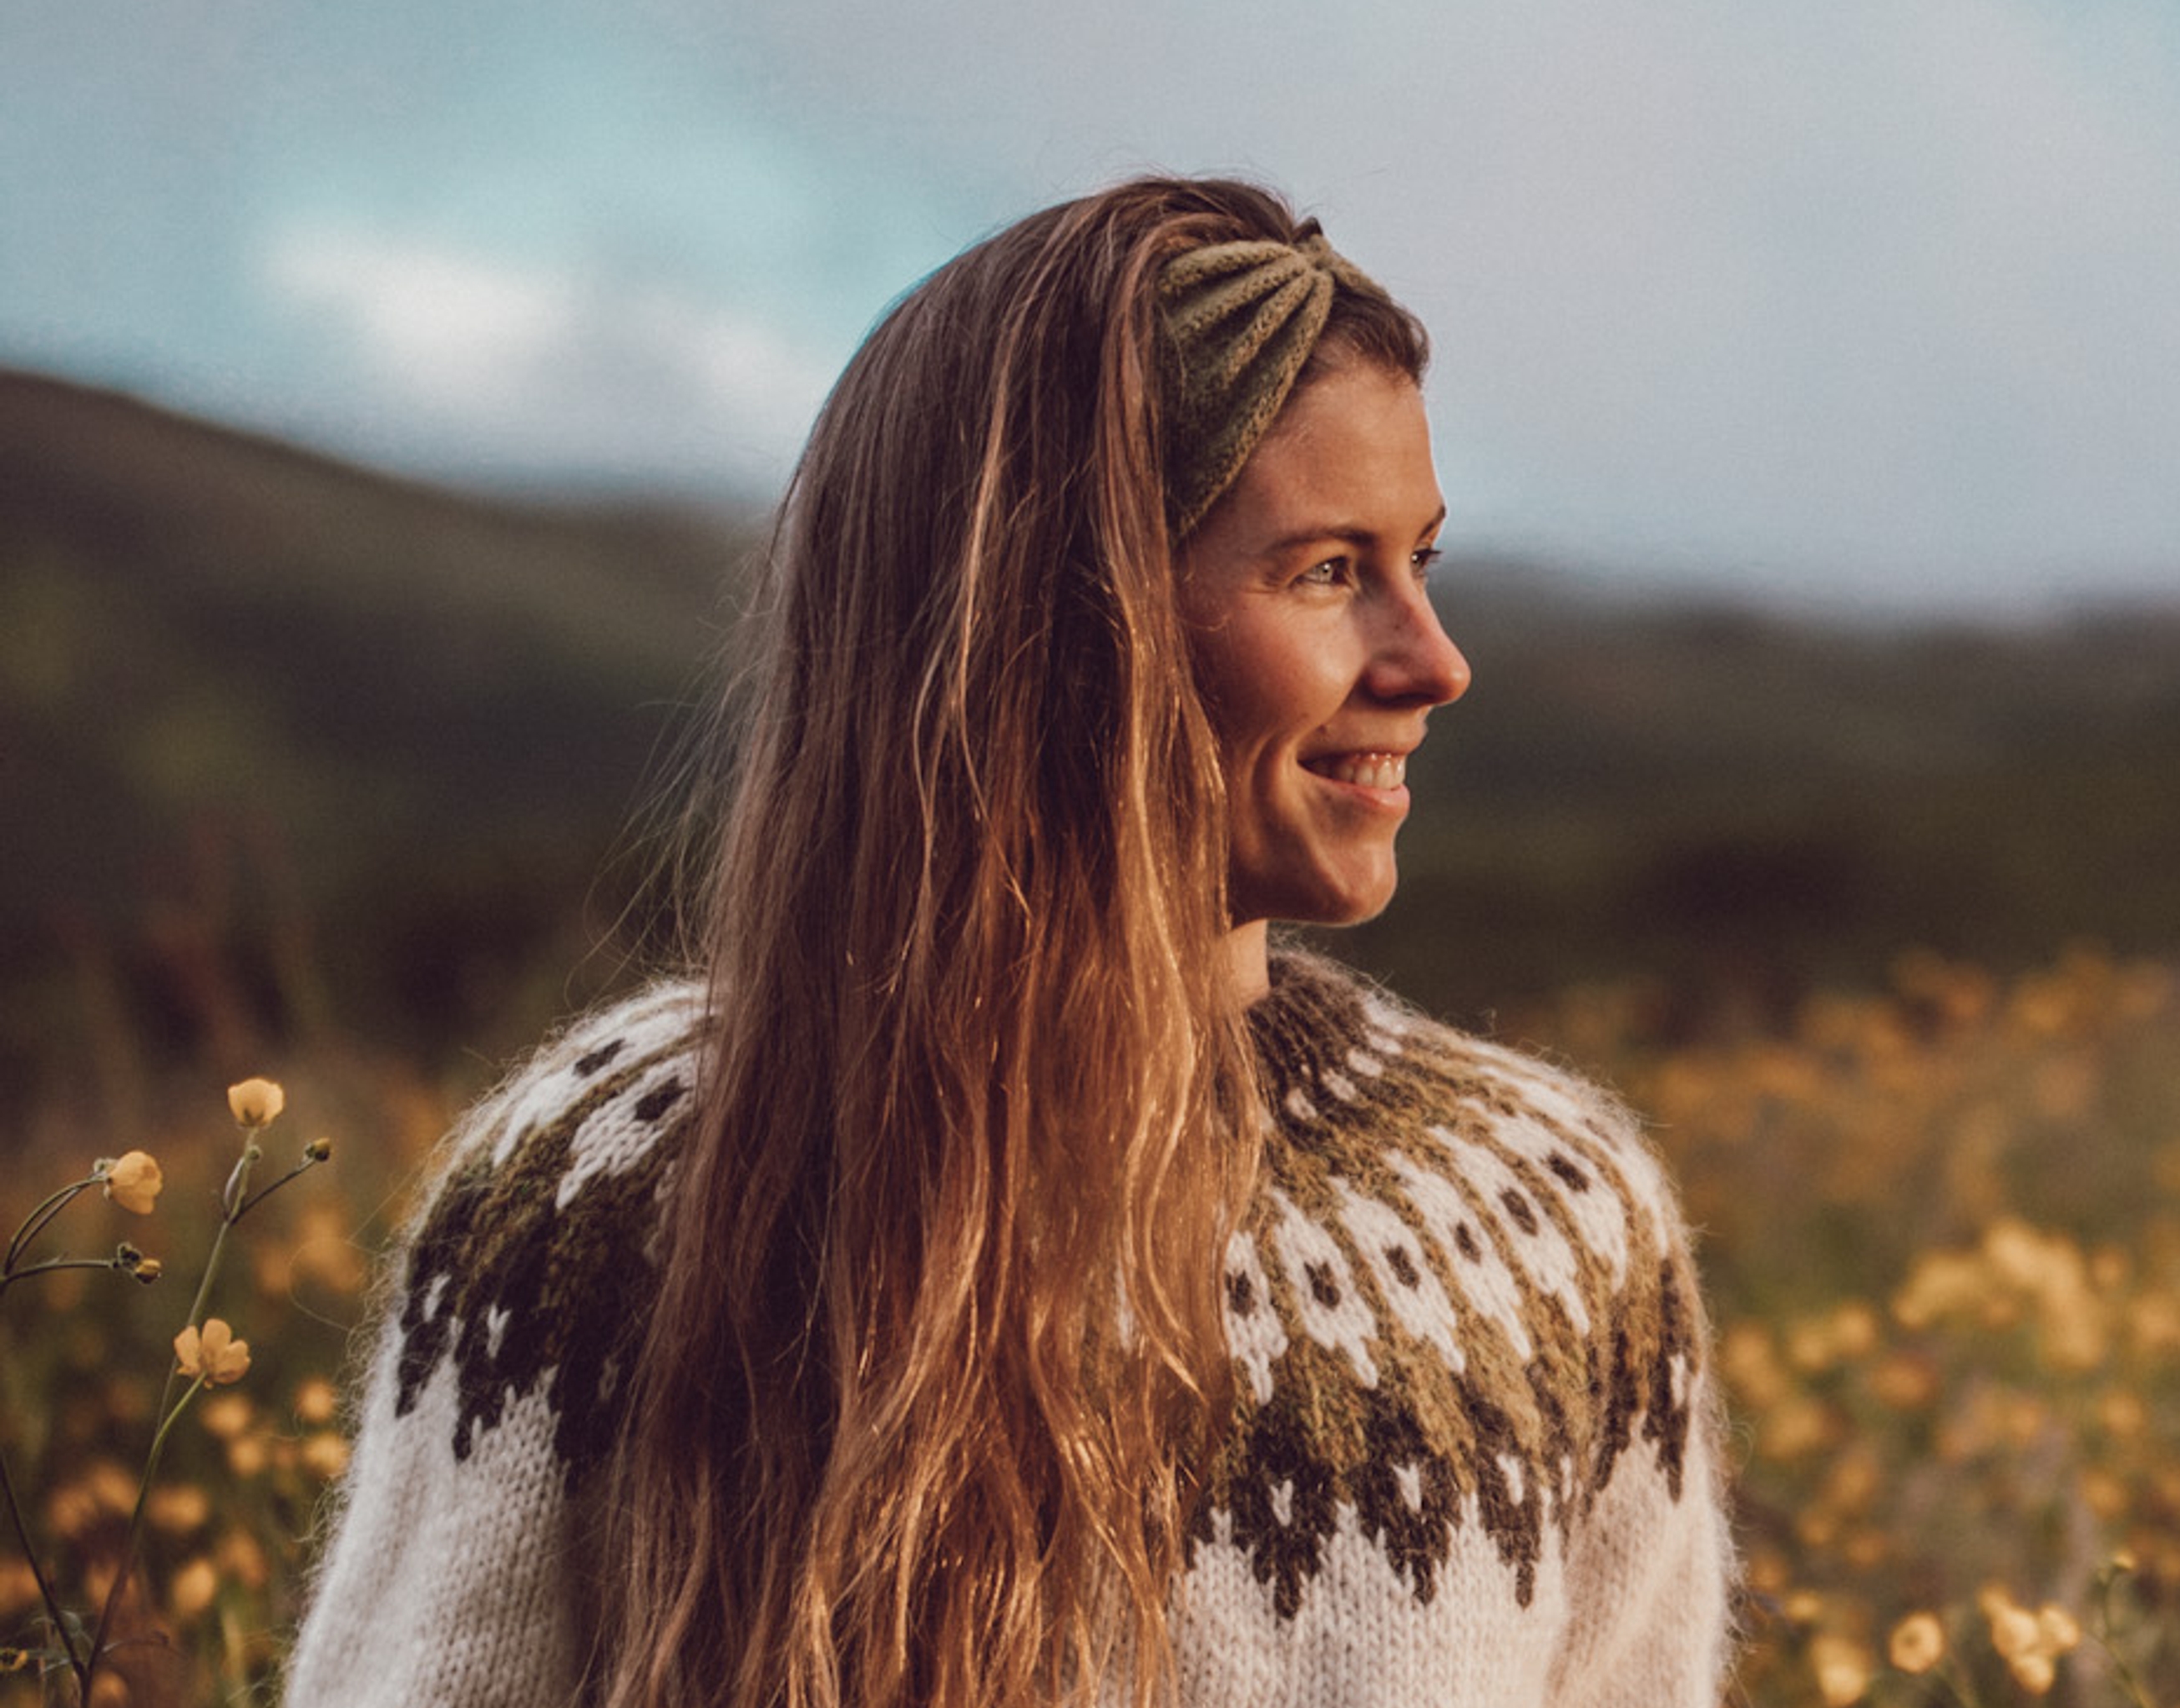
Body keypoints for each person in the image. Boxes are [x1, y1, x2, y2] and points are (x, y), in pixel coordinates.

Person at [285, 178, 1732, 1708]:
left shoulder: (1539, 1229)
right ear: (1054, 628)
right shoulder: (605, 1191)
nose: (1433, 662)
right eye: (1324, 571)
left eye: (1420, 562)